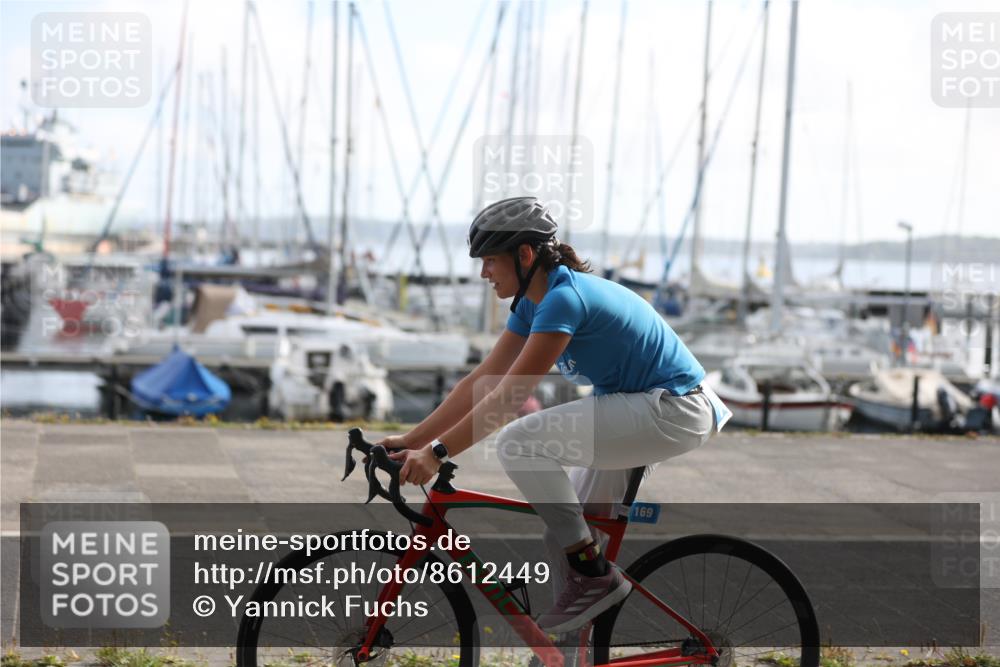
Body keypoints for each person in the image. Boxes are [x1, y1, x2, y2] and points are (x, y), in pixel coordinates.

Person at [380, 196, 731, 634]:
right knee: (565, 533)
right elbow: (482, 379)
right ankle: (568, 654)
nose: (484, 272)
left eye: (490, 260)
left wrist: (438, 452)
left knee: (519, 443)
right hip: (643, 408)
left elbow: (507, 399)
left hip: (674, 408)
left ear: (525, 255)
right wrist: (412, 439)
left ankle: (594, 578)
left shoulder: (565, 299)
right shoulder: (533, 302)